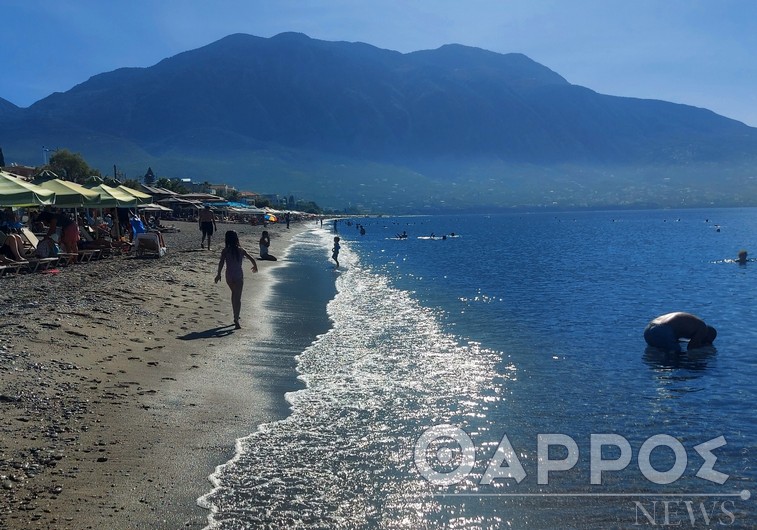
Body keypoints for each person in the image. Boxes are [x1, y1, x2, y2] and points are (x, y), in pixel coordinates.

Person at [215, 230, 258, 329]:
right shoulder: (241, 250)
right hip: (238, 275)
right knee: (237, 298)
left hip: (229, 275)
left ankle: (235, 314)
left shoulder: (225, 251)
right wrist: (255, 266)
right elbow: (251, 259)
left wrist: (218, 274)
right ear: (236, 239)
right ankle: (236, 318)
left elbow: (221, 263)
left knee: (234, 294)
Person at [643, 312, 717, 353]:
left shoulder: (695, 323)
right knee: (676, 352)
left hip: (648, 331)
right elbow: (691, 348)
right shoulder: (703, 328)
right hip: (662, 330)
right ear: (706, 336)